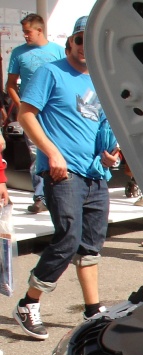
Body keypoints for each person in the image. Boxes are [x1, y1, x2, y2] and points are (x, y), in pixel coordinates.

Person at [12, 16, 118, 341]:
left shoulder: (101, 81)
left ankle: (92, 310)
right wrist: (52, 153)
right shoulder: (51, 72)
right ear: (70, 41)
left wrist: (110, 154)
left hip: (94, 173)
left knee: (91, 245)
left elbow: (102, 128)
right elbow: (25, 114)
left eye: (91, 40)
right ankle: (28, 304)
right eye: (80, 39)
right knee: (68, 238)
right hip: (62, 171)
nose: (85, 46)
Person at [6, 13, 65, 215]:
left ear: (40, 30)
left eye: (28, 32)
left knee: (58, 150)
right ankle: (40, 197)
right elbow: (10, 85)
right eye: (23, 32)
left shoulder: (58, 51)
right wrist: (21, 107)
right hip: (31, 113)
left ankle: (59, 192)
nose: (25, 35)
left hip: (56, 112)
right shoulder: (18, 53)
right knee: (35, 153)